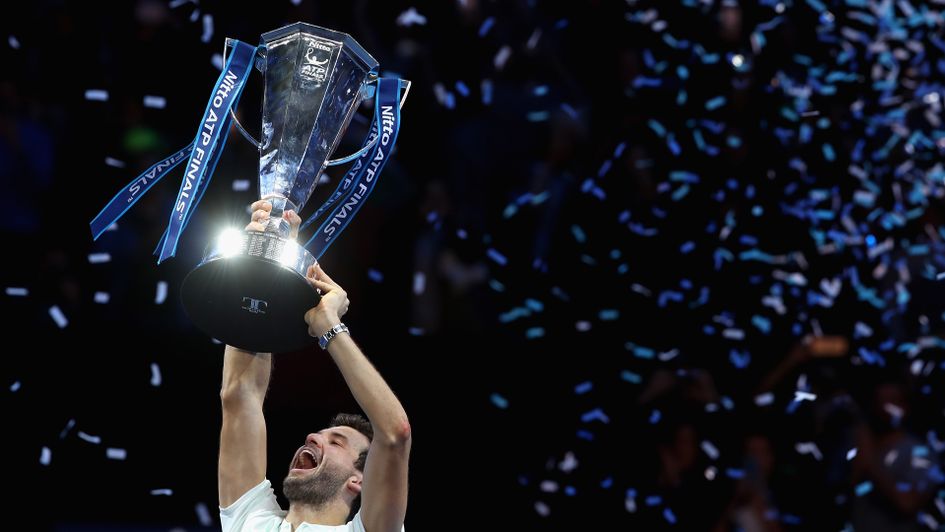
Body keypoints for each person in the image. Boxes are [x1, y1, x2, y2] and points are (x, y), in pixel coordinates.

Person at [218, 200, 411, 531]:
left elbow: (395, 434)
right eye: (325, 436)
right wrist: (264, 263)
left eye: (336, 442)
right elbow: (239, 394)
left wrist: (329, 325)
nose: (310, 436)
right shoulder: (250, 520)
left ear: (358, 481)